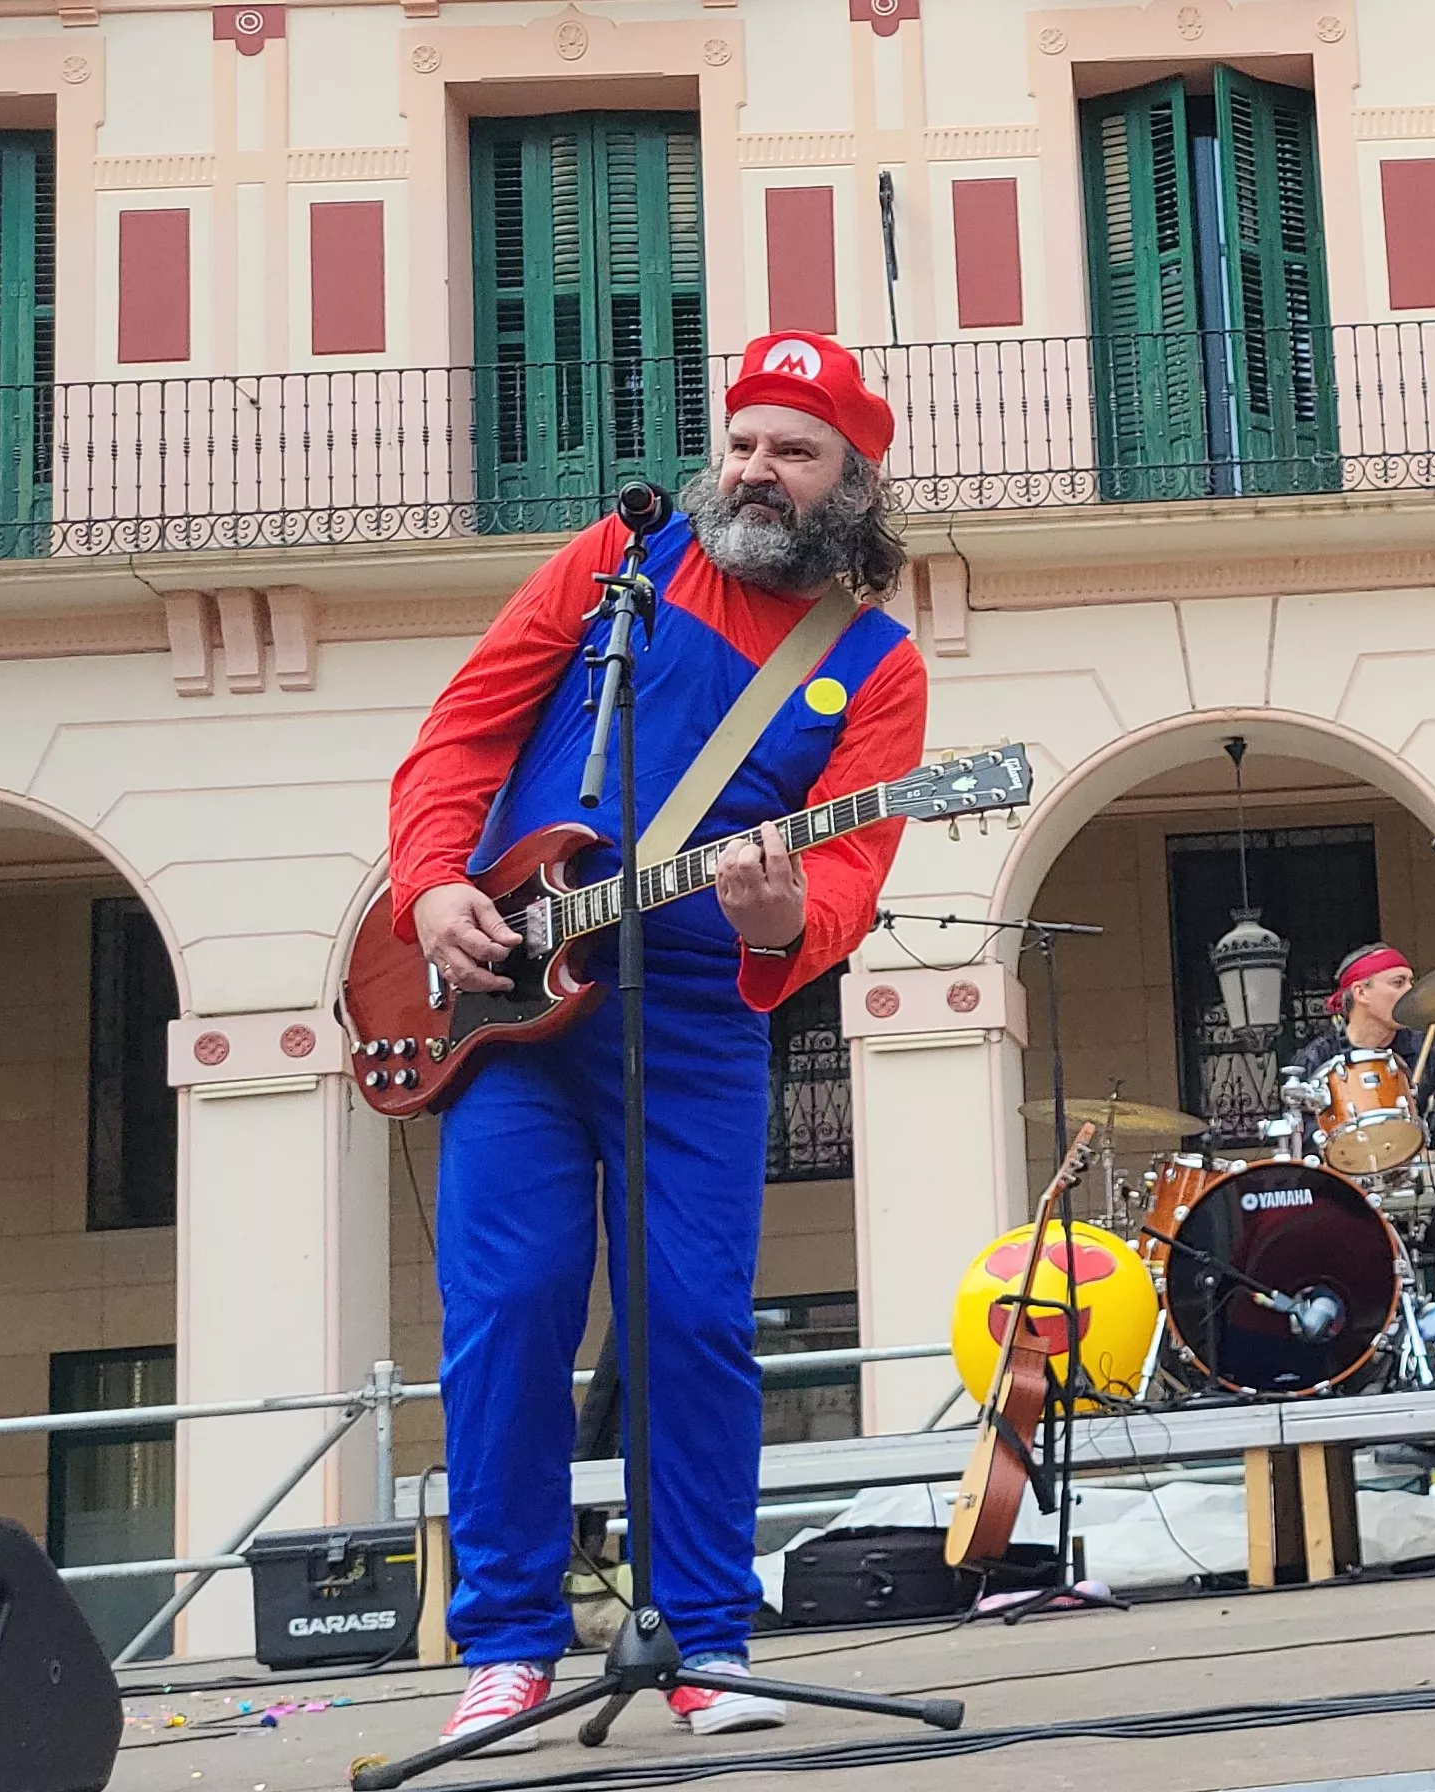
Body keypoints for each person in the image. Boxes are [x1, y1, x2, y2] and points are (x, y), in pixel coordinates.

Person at [386, 332, 929, 1750]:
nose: (755, 467)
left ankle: (704, 1640)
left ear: (850, 485)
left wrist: (779, 918)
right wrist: (434, 883)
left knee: (691, 1321)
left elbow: (850, 875)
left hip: (693, 1020)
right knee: (508, 1307)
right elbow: (461, 734)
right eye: (742, 440)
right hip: (516, 1001)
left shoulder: (872, 665)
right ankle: (507, 1645)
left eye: (793, 450)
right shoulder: (615, 564)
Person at [1283, 943, 1435, 1158]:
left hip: (1420, 1171)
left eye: (1411, 982)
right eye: (1398, 983)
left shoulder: (1428, 1050)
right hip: (1348, 1170)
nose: (1410, 991)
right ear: (1361, 992)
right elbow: (1301, 1136)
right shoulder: (1317, 1059)